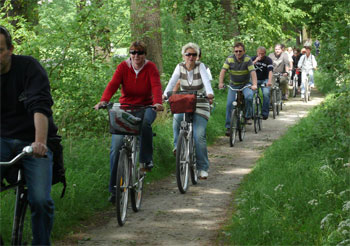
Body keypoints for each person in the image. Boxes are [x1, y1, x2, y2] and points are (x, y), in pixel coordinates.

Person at [0, 26, 58, 245]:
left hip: (33, 140)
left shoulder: (28, 68)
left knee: (41, 200)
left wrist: (40, 143)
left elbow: (39, 106)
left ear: (10, 50)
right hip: (2, 139)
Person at [94, 41, 163, 203]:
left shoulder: (150, 67)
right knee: (116, 148)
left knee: (145, 123)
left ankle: (146, 159)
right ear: (129, 54)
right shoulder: (123, 67)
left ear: (144, 54)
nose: (136, 56)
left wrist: (158, 102)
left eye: (139, 53)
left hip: (146, 106)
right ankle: (114, 190)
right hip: (125, 107)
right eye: (133, 52)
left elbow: (156, 86)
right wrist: (103, 101)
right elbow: (113, 85)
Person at [163, 42, 214, 179]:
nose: (191, 57)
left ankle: (202, 167)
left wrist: (209, 93)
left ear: (197, 56)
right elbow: (172, 82)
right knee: (177, 119)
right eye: (188, 54)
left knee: (199, 135)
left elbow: (206, 82)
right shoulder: (179, 67)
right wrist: (165, 94)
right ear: (183, 56)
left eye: (194, 55)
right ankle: (177, 147)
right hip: (185, 101)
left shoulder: (201, 66)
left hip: (201, 102)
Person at [219, 42, 257, 135]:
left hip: (245, 84)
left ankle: (247, 116)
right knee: (229, 104)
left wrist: (254, 84)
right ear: (234, 51)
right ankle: (228, 127)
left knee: (249, 97)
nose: (238, 53)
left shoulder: (247, 59)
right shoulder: (230, 59)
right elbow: (223, 71)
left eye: (240, 51)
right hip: (233, 85)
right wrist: (221, 83)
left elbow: (252, 72)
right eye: (236, 51)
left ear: (244, 51)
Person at [251, 46, 273, 120]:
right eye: (259, 53)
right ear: (257, 53)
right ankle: (251, 113)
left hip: (265, 79)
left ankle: (264, 113)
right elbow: (248, 67)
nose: (260, 55)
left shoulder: (268, 60)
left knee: (266, 94)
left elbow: (270, 71)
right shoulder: (253, 58)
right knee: (250, 95)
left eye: (262, 54)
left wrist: (269, 81)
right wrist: (256, 61)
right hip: (255, 80)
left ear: (265, 53)